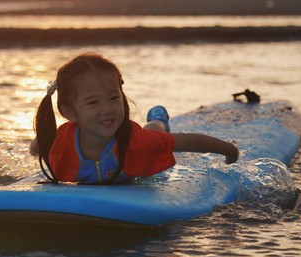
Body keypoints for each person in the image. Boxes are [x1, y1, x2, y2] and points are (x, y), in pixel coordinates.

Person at [29, 52, 239, 184]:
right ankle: (156, 120)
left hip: (136, 137)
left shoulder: (138, 141)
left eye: (113, 98)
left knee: (154, 132)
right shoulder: (60, 140)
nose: (107, 109)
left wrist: (229, 149)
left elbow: (189, 141)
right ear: (70, 113)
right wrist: (38, 143)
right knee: (150, 134)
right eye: (93, 102)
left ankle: (159, 120)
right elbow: (37, 145)